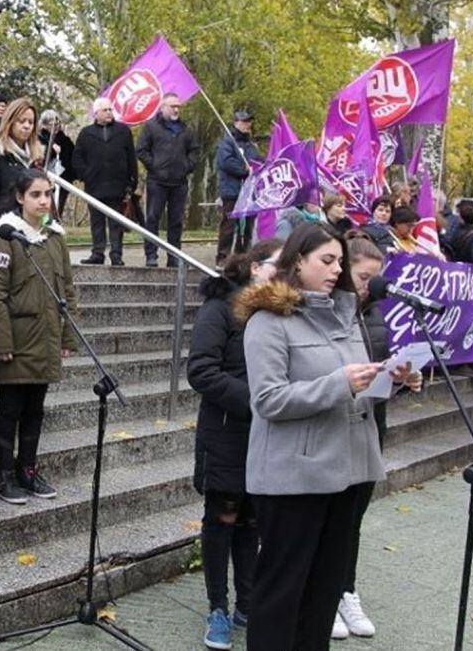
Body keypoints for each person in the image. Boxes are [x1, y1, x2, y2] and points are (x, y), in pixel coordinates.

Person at [235, 223, 419, 650]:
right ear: (298, 261)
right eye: (327, 260)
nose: (338, 269)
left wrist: (392, 380)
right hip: (294, 477)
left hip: (350, 472)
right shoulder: (268, 321)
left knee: (324, 590)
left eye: (340, 260)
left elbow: (357, 387)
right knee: (282, 591)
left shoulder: (346, 315)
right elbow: (268, 400)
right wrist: (340, 383)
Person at [186, 238, 282, 650]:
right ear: (256, 266)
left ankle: (247, 601)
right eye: (279, 265)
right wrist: (255, 400)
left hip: (267, 436)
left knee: (252, 520)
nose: (285, 272)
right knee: (222, 518)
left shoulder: (279, 311)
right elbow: (201, 370)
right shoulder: (220, 306)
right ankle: (218, 608)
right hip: (226, 433)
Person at [333, 234, 420, 640]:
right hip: (331, 428)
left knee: (353, 518)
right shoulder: (329, 315)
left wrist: (401, 379)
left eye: (375, 277)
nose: (370, 285)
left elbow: (376, 370)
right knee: (327, 518)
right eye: (363, 276)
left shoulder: (376, 316)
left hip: (369, 424)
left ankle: (344, 588)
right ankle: (322, 592)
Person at [0, 170, 76, 503]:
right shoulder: (5, 237)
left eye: (48, 194)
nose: (43, 201)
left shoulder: (54, 237)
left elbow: (66, 288)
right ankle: (5, 474)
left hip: (46, 338)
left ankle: (29, 469)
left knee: (35, 408)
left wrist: (68, 337)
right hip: (17, 339)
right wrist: (2, 342)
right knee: (10, 409)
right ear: (20, 198)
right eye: (35, 194)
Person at [136, 93, 199, 267]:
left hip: (179, 183)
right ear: (162, 107)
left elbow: (194, 151)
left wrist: (187, 167)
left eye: (178, 106)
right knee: (152, 218)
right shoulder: (151, 127)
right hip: (157, 182)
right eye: (173, 106)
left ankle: (174, 256)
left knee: (176, 221)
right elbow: (141, 149)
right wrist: (155, 166)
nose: (176, 109)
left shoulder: (186, 129)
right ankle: (151, 255)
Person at [73, 97, 136, 266]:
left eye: (110, 109)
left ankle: (116, 254)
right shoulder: (86, 133)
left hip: (117, 184)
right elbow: (77, 157)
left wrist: (132, 181)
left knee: (116, 221)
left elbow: (131, 157)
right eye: (105, 110)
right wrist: (86, 174)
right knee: (97, 221)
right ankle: (98, 253)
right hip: (95, 185)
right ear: (96, 113)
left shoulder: (123, 131)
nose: (109, 113)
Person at [0, 97, 43, 265]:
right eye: (21, 121)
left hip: (30, 229)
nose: (26, 126)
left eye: (30, 122)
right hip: (3, 228)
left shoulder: (36, 158)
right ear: (10, 121)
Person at [215, 109, 261, 265]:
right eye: (244, 121)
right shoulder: (227, 142)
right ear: (236, 123)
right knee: (228, 226)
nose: (247, 124)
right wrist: (245, 170)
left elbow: (258, 162)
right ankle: (223, 257)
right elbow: (225, 162)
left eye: (249, 121)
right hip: (232, 190)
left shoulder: (251, 144)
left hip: (249, 192)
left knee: (247, 227)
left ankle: (242, 257)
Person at [38, 110, 75, 217]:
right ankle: (47, 222)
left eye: (57, 124)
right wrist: (51, 149)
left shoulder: (65, 140)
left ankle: (56, 221)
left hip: (63, 178)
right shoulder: (40, 139)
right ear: (45, 125)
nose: (56, 126)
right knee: (47, 203)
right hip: (46, 177)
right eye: (52, 124)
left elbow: (71, 157)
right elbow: (41, 158)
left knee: (59, 203)